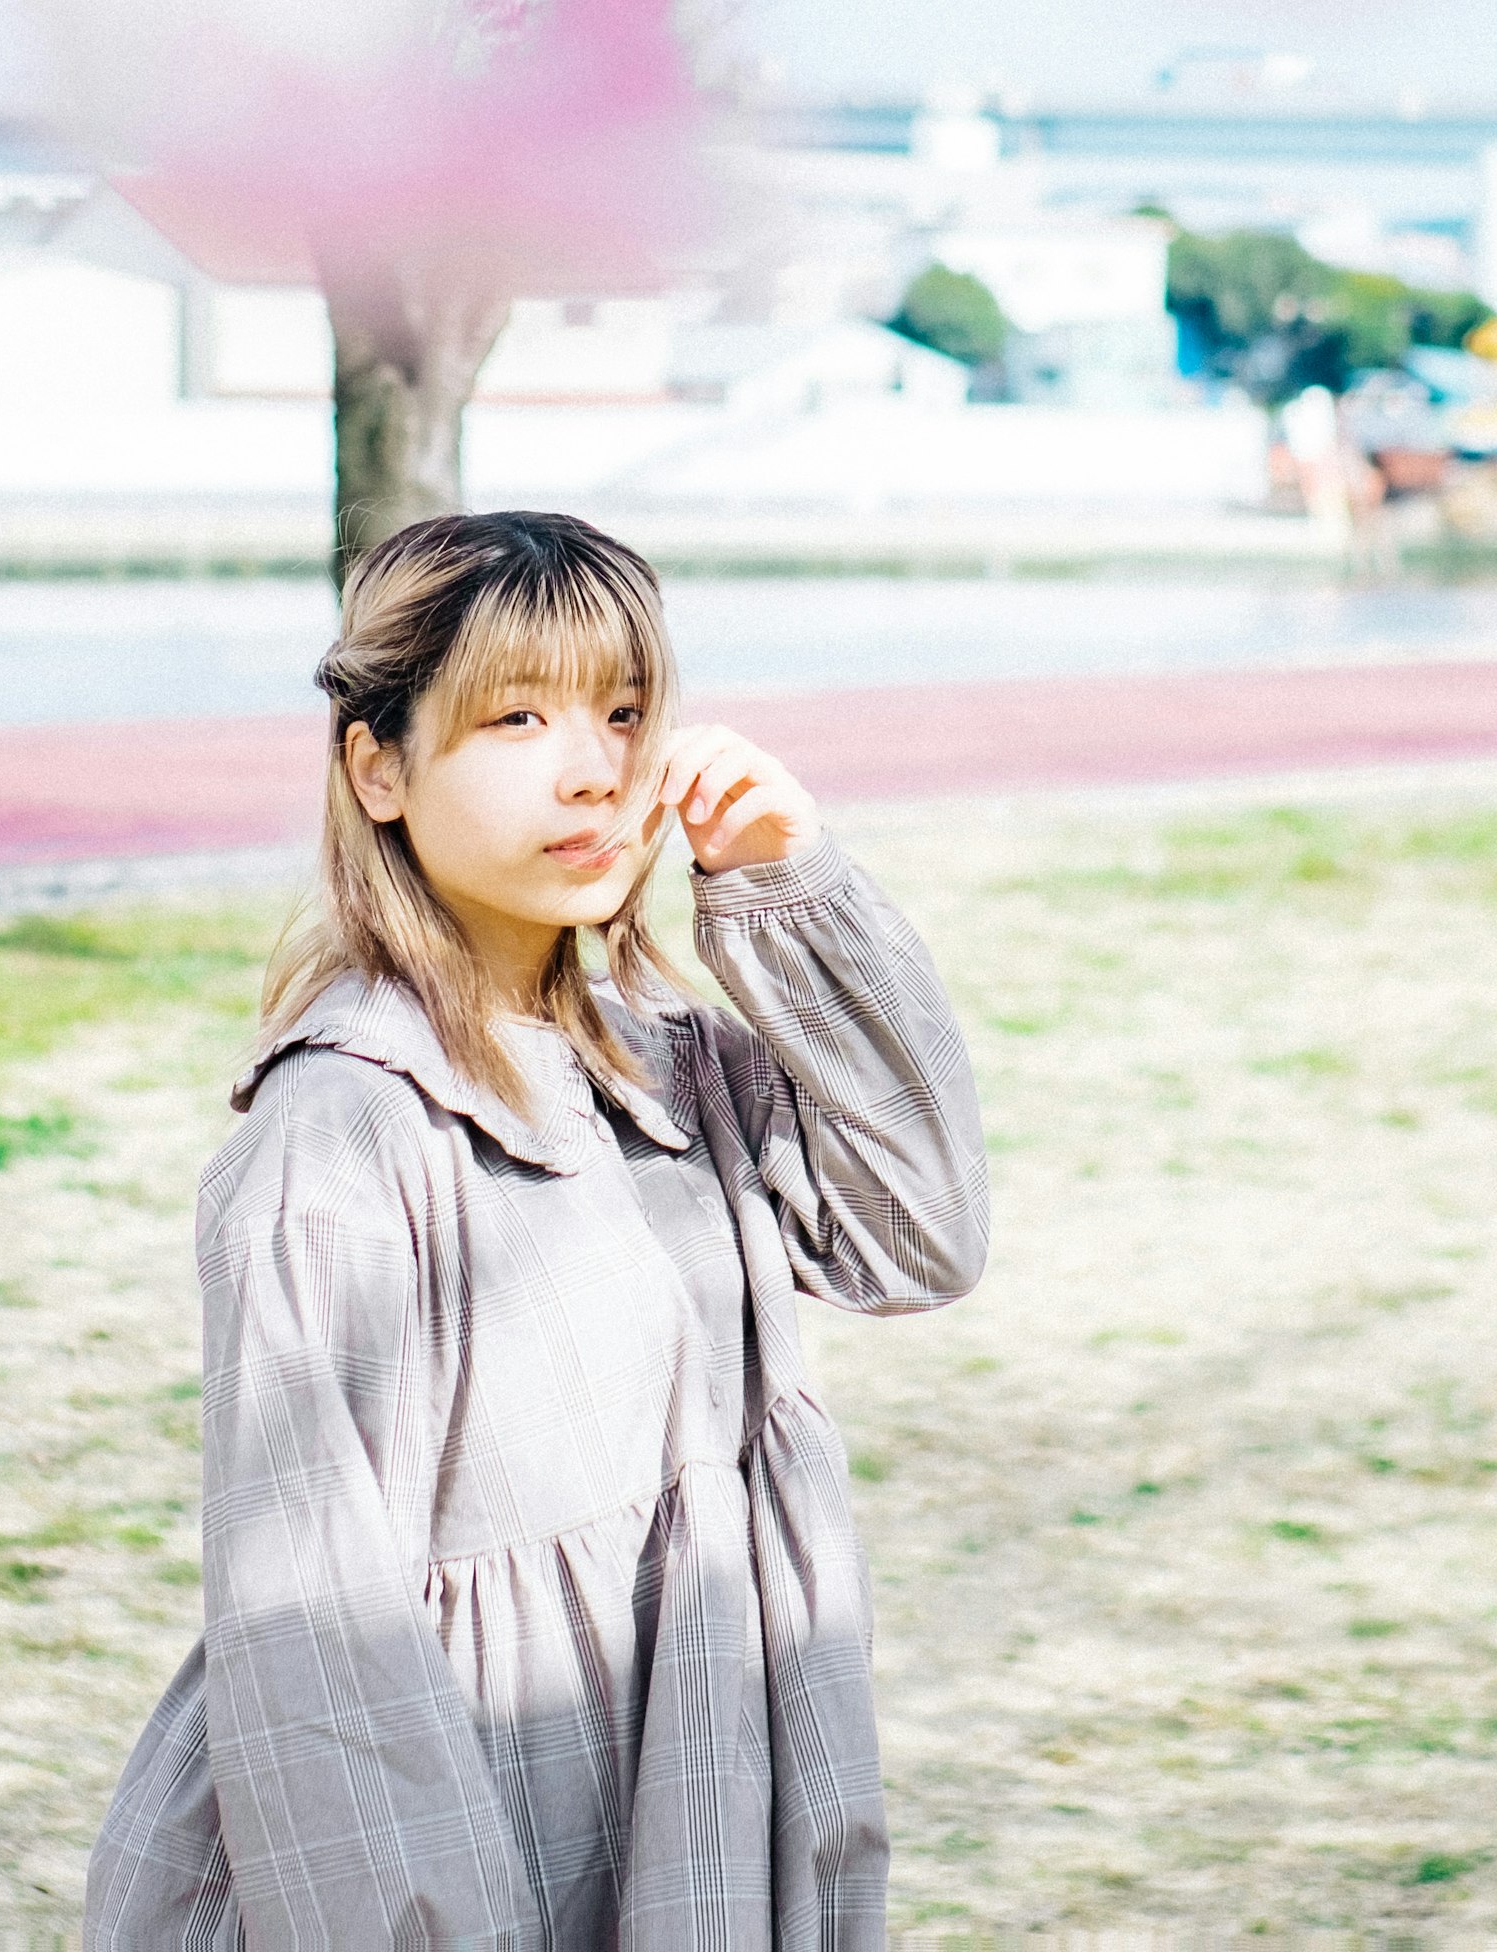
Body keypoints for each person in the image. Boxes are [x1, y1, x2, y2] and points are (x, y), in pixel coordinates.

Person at [83, 510, 987, 1949]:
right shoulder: (340, 1142)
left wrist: (783, 884)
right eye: (517, 717)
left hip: (689, 1786)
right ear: (378, 767)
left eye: (627, 713)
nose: (596, 769)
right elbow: (315, 1631)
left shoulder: (676, 1061)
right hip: (447, 1833)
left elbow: (918, 1235)